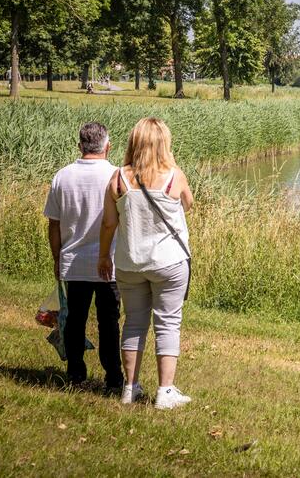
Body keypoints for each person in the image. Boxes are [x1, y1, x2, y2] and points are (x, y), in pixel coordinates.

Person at [99, 117, 194, 410]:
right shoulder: (173, 176)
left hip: (130, 263)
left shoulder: (118, 179)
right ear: (164, 144)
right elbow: (188, 204)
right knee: (167, 322)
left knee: (134, 322)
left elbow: (108, 224)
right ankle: (165, 392)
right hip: (169, 262)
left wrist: (104, 256)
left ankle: (130, 387)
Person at [44, 122, 123, 391]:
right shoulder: (117, 176)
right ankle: (114, 377)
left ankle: (76, 373)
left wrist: (57, 258)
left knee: (75, 319)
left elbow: (53, 224)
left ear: (80, 146)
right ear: (107, 146)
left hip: (74, 261)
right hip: (109, 262)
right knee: (109, 321)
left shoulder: (62, 177)